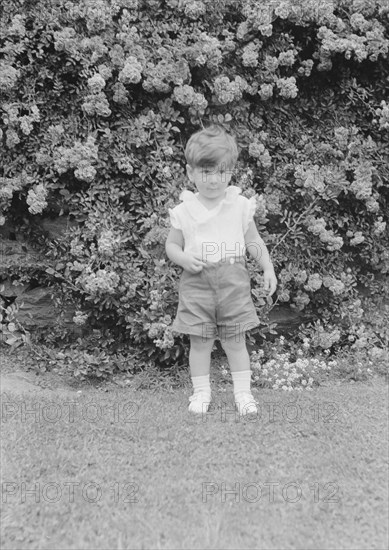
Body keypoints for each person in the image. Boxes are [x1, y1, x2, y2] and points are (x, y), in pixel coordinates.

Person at [165, 125, 277, 415]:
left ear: (230, 172)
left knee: (235, 341)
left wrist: (267, 266)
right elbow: (172, 246)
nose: (214, 180)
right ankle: (201, 394)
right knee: (200, 342)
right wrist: (184, 259)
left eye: (222, 172)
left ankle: (243, 394)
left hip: (233, 283)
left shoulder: (238, 205)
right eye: (206, 172)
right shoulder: (185, 210)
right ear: (191, 173)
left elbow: (252, 240)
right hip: (197, 284)